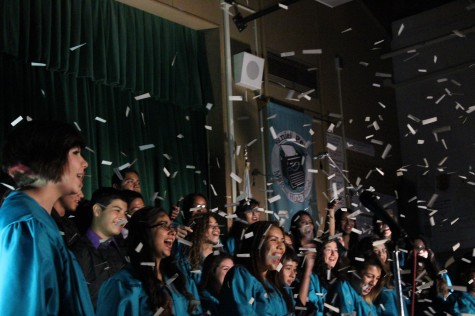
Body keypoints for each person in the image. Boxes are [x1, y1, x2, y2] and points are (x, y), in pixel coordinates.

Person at [0, 120, 93, 315]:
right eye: (75, 153)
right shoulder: (27, 225)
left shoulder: (38, 219)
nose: (85, 163)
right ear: (49, 156)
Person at [96, 207, 202, 315]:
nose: (173, 232)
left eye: (171, 226)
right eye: (163, 225)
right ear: (143, 232)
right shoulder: (121, 284)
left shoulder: (175, 279)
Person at [71, 187, 129, 307]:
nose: (123, 219)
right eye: (117, 210)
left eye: (125, 213)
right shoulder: (76, 253)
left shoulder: (126, 251)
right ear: (97, 210)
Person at [218, 221, 288, 315]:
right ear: (257, 243)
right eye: (273, 240)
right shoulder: (241, 275)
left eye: (283, 241)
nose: (281, 246)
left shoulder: (275, 284)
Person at [176, 212, 222, 292]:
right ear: (199, 229)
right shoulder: (187, 258)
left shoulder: (221, 256)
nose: (216, 228)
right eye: (210, 225)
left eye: (217, 225)